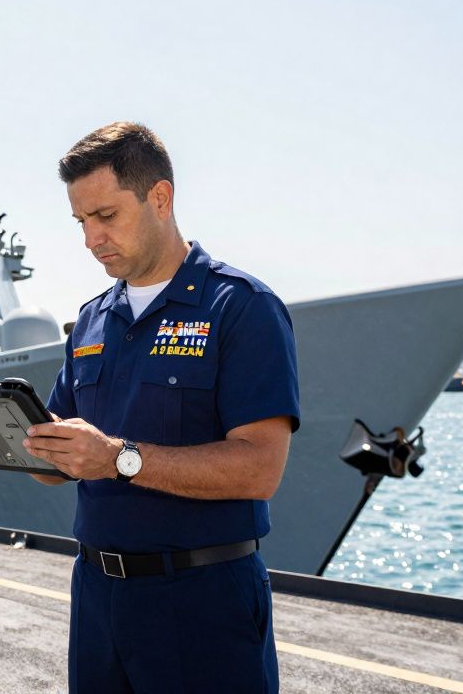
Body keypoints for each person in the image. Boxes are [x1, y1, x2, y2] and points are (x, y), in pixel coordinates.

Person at [22, 122, 299, 693]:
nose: (91, 239)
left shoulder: (241, 308)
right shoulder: (92, 318)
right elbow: (61, 455)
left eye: (105, 216)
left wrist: (118, 458)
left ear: (160, 198)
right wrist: (21, 444)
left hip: (202, 600)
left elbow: (260, 468)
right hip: (98, 596)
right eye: (80, 222)